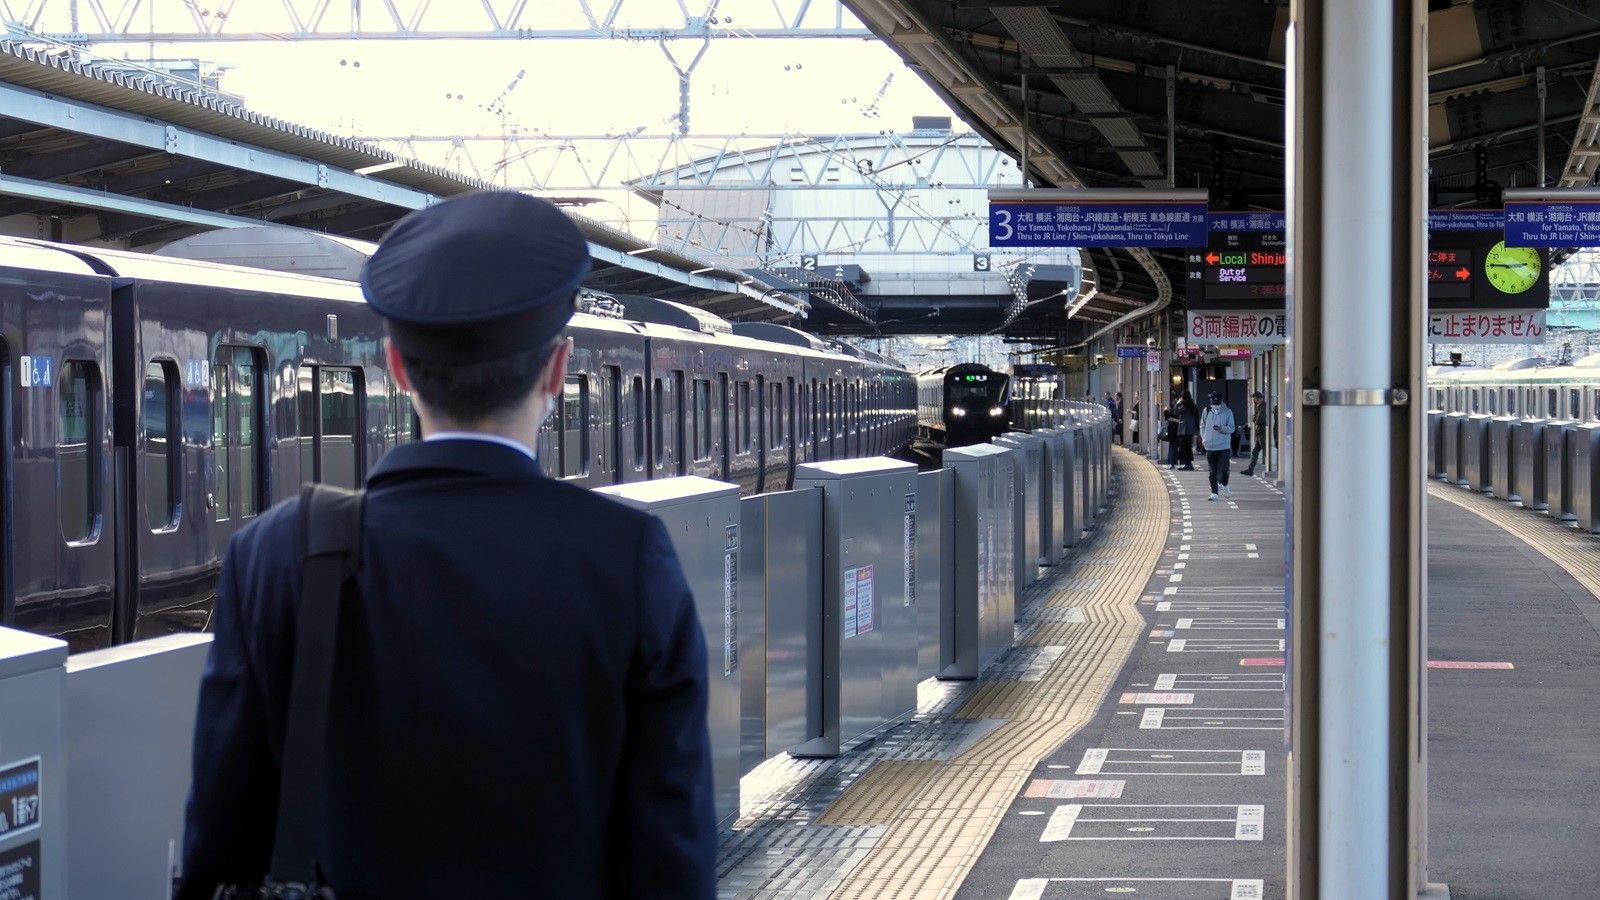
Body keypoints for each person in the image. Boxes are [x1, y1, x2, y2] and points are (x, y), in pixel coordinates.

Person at [179, 192, 717, 899]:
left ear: (397, 368)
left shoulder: (277, 555)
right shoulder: (627, 557)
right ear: (558, 369)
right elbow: (672, 849)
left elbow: (218, 838)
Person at [1200, 390, 1236, 501]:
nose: (1212, 402)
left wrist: (1221, 428)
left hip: (1223, 446)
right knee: (1212, 471)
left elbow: (1232, 428)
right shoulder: (1206, 411)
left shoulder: (1228, 412)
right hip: (1210, 446)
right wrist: (1204, 438)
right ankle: (1214, 493)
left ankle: (1225, 484)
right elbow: (1202, 426)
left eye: (1214, 399)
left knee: (1225, 470)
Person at [1242, 390, 1268, 477]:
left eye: (1255, 398)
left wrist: (1256, 419)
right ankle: (1250, 470)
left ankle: (1272, 467)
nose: (1254, 400)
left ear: (1260, 398)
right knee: (1255, 452)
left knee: (1265, 452)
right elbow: (1255, 419)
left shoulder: (1263, 407)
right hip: (1259, 433)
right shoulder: (1259, 407)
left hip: (1263, 433)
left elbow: (1259, 420)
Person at [1176, 392, 1199, 470]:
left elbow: (1176, 412)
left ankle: (1187, 464)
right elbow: (1196, 417)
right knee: (1188, 447)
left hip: (1184, 429)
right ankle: (1189, 464)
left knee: (1184, 447)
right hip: (1191, 429)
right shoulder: (1193, 405)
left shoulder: (1183, 406)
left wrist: (1177, 403)